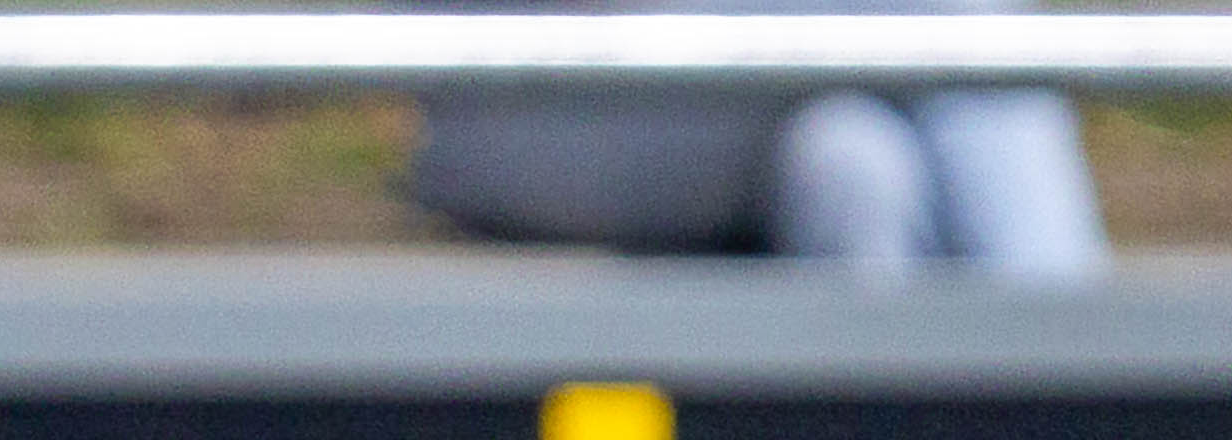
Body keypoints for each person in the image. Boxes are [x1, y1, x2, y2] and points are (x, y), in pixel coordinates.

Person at [402, 0, 1108, 280]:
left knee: (853, 158)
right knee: (951, 16)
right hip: (533, 105)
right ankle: (1081, 389)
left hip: (710, 110)